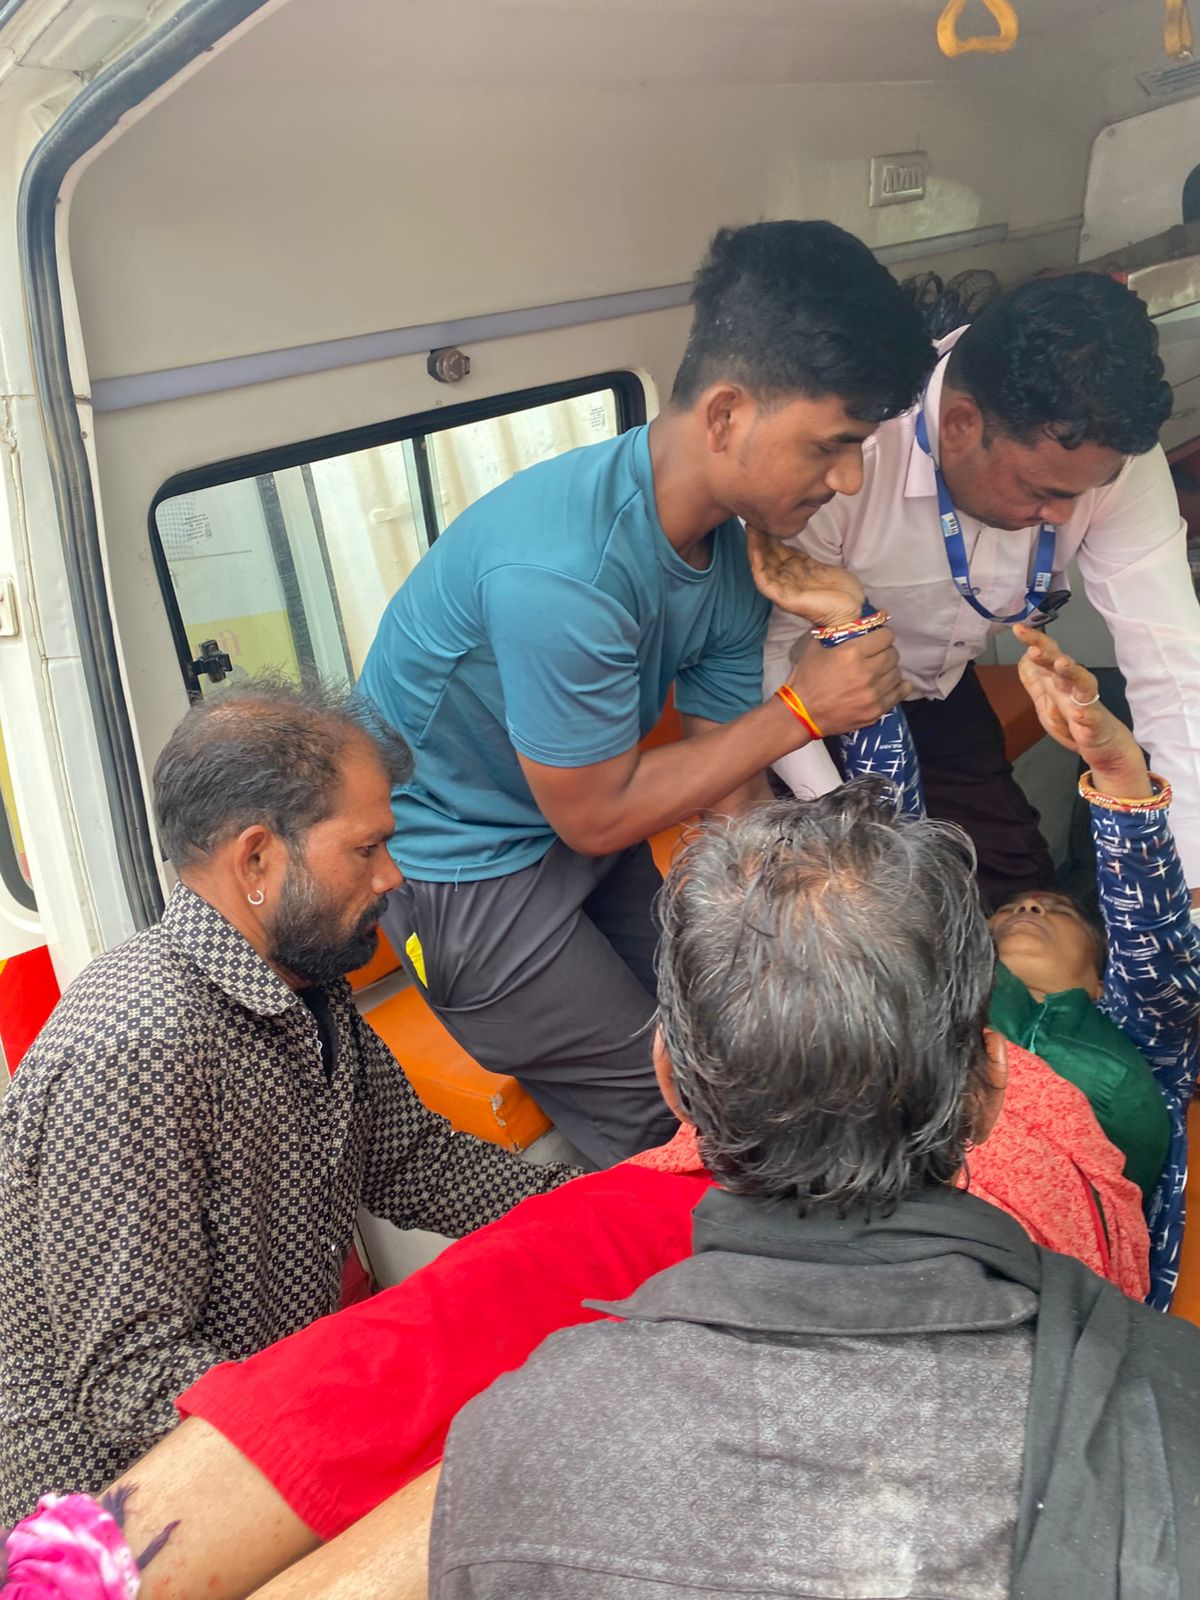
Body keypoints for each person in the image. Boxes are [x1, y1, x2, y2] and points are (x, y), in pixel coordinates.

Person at [427, 787, 1200, 1600]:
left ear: (675, 1088)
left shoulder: (505, 1446)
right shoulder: (1169, 1413)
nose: (1035, 911)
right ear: (991, 1089)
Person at [356, 218, 933, 1167]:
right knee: (669, 1122)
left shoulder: (733, 549)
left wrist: (786, 939)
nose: (847, 477)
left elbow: (725, 775)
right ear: (726, 416)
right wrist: (802, 710)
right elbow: (598, 813)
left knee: (751, 1054)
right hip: (459, 870)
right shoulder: (565, 573)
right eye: (833, 444)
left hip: (573, 831)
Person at [0, 680, 580, 1525]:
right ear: (257, 861)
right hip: (119, 1515)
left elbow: (412, 1162)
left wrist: (604, 1202)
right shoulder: (136, 1044)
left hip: (251, 1435)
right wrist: (357, 1410)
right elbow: (132, 1382)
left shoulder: (305, 979)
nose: (391, 875)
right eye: (367, 848)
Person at [762, 271, 1200, 910]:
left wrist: (1192, 880)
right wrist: (839, 826)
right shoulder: (851, 449)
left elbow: (1174, 667)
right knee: (869, 917)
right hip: (802, 715)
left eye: (1080, 495)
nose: (1064, 516)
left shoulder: (1107, 459)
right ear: (962, 424)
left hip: (936, 694)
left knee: (1024, 909)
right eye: (1043, 492)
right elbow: (769, 654)